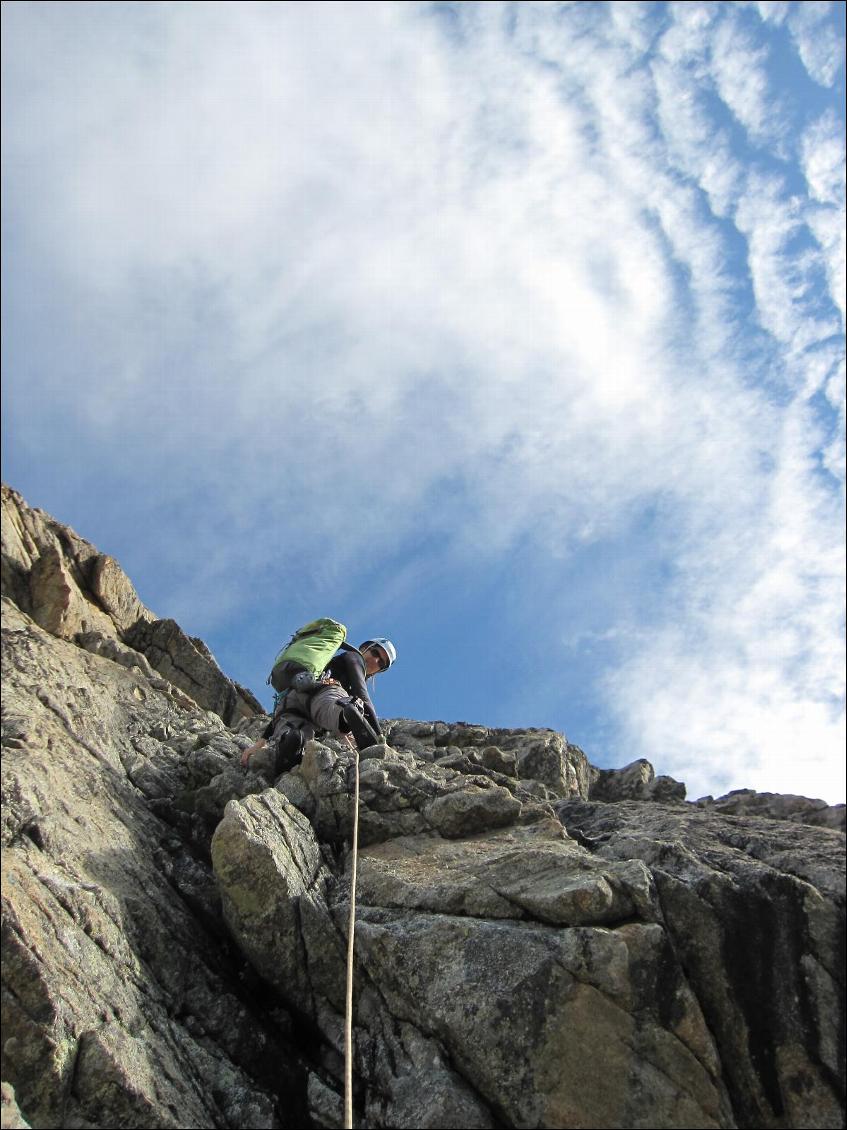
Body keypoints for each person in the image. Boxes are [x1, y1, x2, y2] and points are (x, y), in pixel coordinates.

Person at [241, 638, 397, 773]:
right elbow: (363, 697)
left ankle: (288, 750)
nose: (376, 661)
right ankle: (344, 716)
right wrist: (379, 737)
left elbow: (279, 715)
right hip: (324, 693)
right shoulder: (355, 656)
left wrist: (260, 743)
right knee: (338, 707)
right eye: (375, 653)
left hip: (293, 699)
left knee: (294, 734)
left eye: (381, 663)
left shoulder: (329, 663)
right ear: (364, 648)